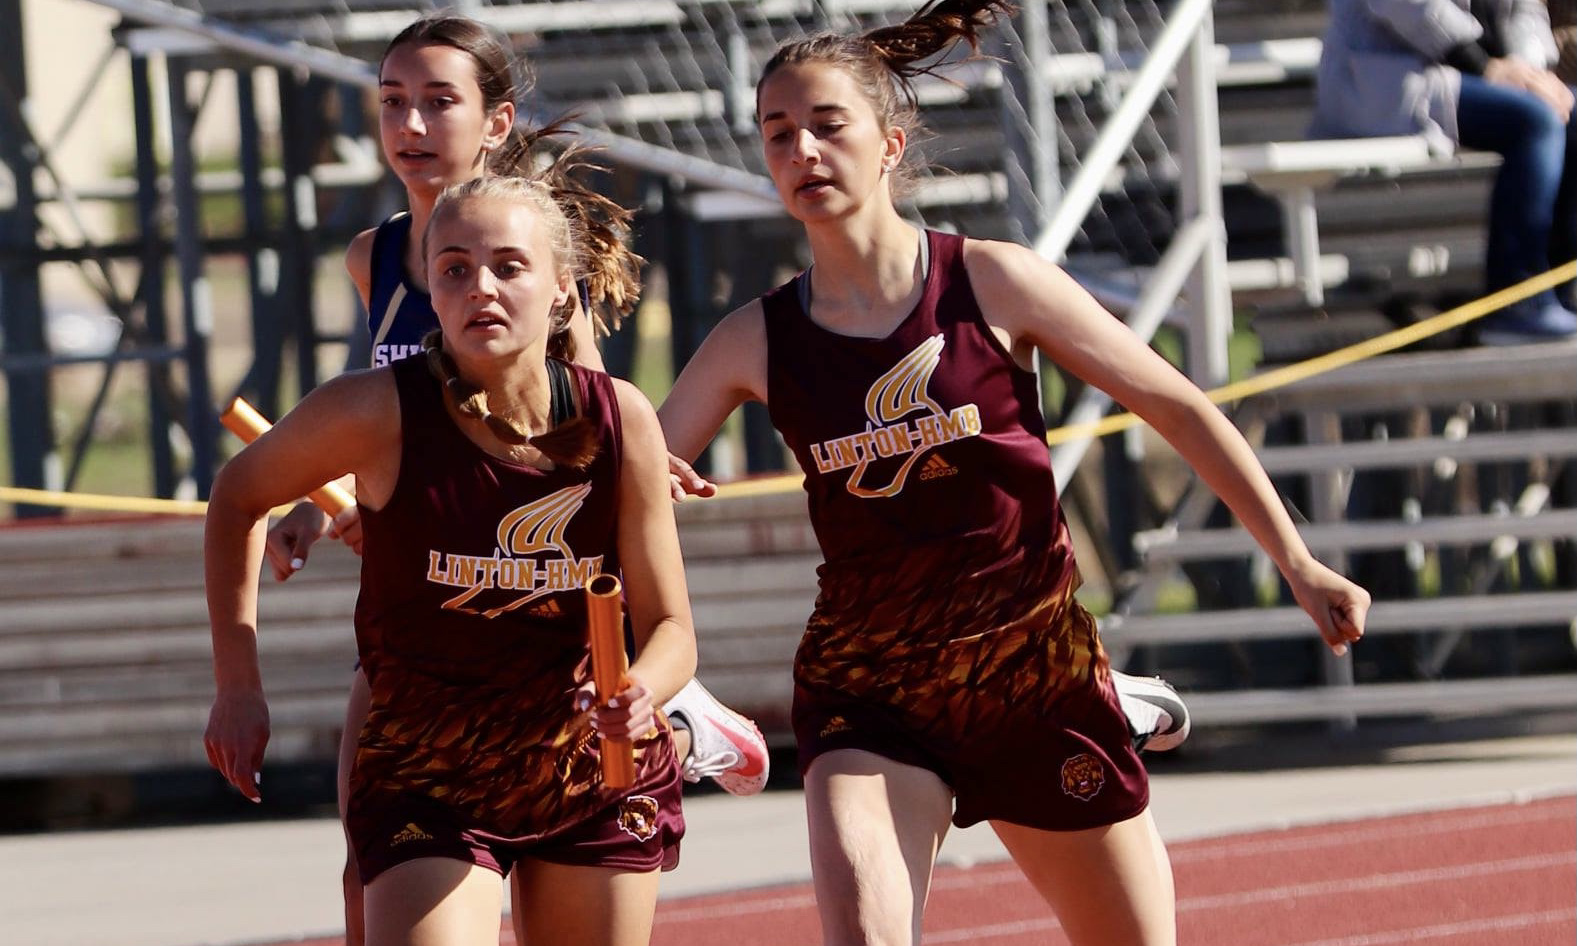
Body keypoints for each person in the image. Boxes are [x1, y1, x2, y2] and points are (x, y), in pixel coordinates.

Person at [657, 2, 1371, 943]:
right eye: (778, 134)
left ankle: (1110, 695)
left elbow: (1179, 406)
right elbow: (635, 480)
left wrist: (1298, 561)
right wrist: (649, 476)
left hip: (1031, 676)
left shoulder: (991, 282)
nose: (803, 152)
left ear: (888, 144)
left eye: (828, 126)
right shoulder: (754, 337)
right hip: (869, 691)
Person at [255, 14, 768, 945]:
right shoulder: (376, 257)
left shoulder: (533, 252)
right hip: (424, 591)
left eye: (437, 104)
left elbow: (578, 402)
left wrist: (640, 461)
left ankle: (679, 710)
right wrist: (310, 500)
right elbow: (378, 401)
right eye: (392, 104)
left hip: (534, 587)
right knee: (362, 870)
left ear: (495, 123)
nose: (410, 126)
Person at [206, 173, 694, 946]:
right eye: (455, 269)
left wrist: (643, 689)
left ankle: (695, 732)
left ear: (562, 289)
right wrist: (238, 686)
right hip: (429, 773)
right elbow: (236, 496)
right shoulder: (372, 410)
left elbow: (670, 626)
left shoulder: (618, 416)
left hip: (582, 769)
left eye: (509, 265)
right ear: (430, 290)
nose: (482, 288)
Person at [1311, 0, 1577, 342]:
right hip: (1383, 80)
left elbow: (1523, 11)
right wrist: (1485, 67)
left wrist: (1528, 72)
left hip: (1468, 76)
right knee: (1535, 122)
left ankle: (1554, 292)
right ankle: (1516, 303)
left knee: (1567, 114)